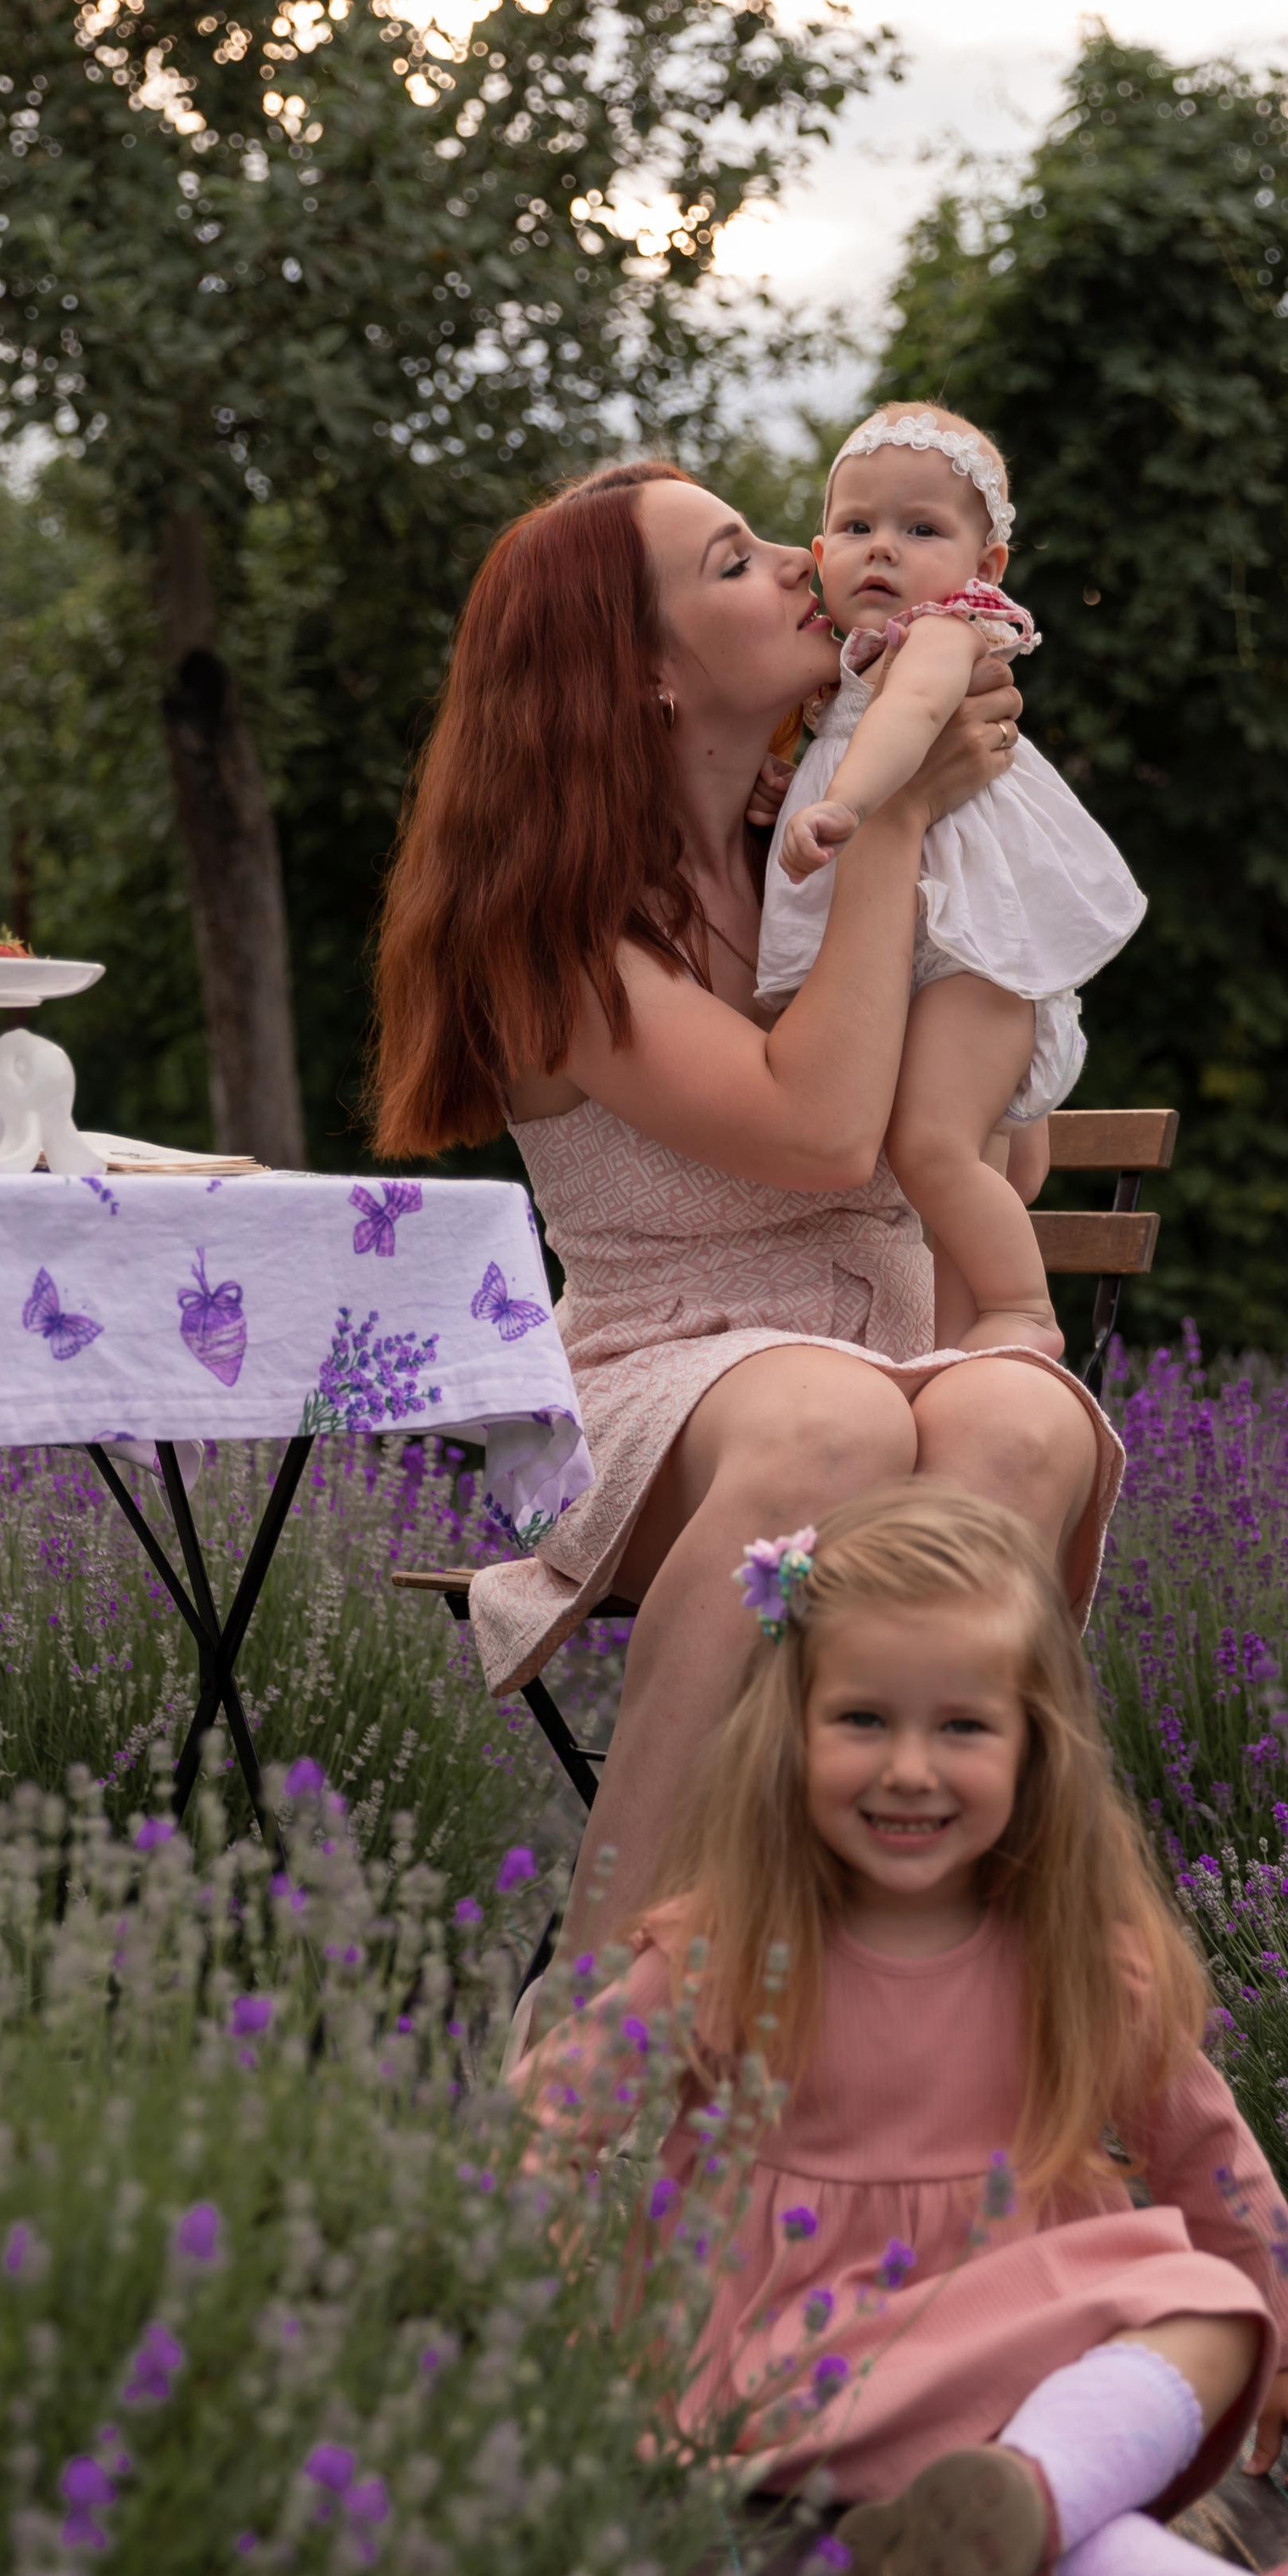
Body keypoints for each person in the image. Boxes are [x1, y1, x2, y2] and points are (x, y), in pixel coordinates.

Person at [516, 1485, 1288, 2576]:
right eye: (863, 1721)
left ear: (1033, 1746)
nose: (908, 1768)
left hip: (1010, 2334)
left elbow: (1202, 2144)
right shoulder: (733, 1941)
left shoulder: (1071, 1954)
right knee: (1124, 2400)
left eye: (961, 1728)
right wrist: (533, 2282)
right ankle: (1076, 2519)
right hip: (804, 2346)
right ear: (791, 1730)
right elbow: (556, 2112)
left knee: (1201, 2328)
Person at [368, 459, 1123, 1995]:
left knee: (1026, 1422)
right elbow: (822, 1137)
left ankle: (938, 2019)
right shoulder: (550, 927)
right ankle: (606, 2030)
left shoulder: (802, 854)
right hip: (671, 1377)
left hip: (890, 1343)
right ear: (640, 673)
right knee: (829, 1430)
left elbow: (1001, 1160)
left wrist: (974, 907)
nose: (803, 561)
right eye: (732, 560)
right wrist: (901, 823)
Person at [759, 404, 1145, 1358]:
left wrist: (839, 805)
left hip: (965, 947)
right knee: (955, 1169)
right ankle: (961, 1356)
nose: (881, 549)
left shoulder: (941, 635)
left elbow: (914, 712)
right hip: (929, 948)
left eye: (920, 529)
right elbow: (844, 725)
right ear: (819, 550)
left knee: (929, 1150)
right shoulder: (847, 664)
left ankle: (1025, 1313)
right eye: (856, 528)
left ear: (985, 569)